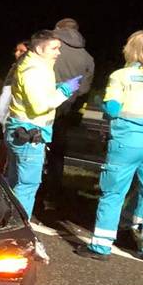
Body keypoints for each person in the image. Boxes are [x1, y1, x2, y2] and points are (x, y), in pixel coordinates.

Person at [76, 31, 143, 264]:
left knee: (113, 194)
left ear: (131, 50)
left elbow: (112, 109)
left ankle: (101, 246)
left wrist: (104, 101)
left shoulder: (121, 76)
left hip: (126, 143)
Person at [5, 29, 83, 220]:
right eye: (54, 48)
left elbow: (37, 94)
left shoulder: (35, 65)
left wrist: (55, 89)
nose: (58, 52)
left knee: (14, 181)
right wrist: (64, 91)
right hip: (29, 134)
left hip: (22, 131)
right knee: (27, 184)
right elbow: (39, 106)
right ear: (40, 48)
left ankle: (7, 221)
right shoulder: (34, 70)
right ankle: (19, 227)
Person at [42, 18, 95, 207]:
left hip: (42, 104)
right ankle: (52, 193)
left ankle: (33, 194)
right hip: (66, 108)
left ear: (58, 29)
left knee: (34, 148)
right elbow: (84, 89)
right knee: (57, 152)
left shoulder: (48, 46)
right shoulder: (87, 57)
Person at [0, 41, 29, 172]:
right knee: (2, 150)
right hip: (6, 116)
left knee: (7, 152)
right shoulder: (15, 67)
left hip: (11, 117)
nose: (17, 53)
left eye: (21, 51)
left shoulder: (24, 69)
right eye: (16, 50)